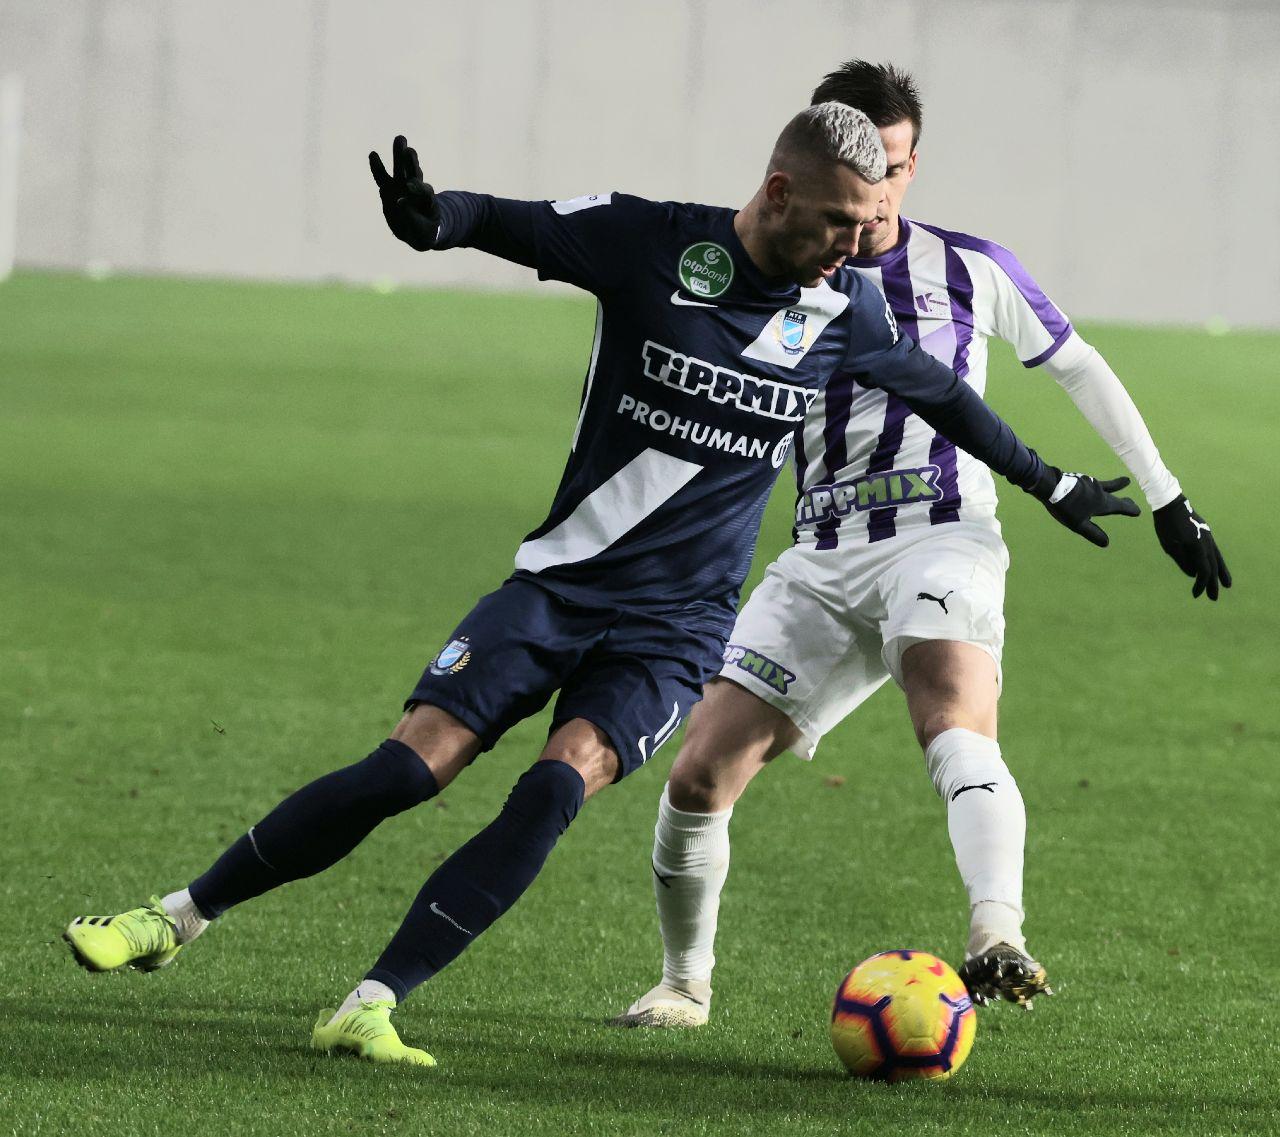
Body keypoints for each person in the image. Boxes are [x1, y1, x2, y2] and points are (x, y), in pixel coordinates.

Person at [63, 103, 1136, 1068]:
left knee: (554, 786)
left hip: (676, 631)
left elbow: (941, 394)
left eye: (868, 225)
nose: (859, 245)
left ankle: (373, 1001)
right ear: (777, 193)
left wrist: (1049, 482)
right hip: (557, 585)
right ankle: (174, 917)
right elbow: (517, 223)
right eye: (839, 223)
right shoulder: (653, 242)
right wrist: (433, 220)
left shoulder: (844, 307)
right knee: (407, 768)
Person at [614, 62, 1230, 1029]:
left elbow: (1079, 366)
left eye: (895, 169)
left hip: (942, 534)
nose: (878, 197)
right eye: (862, 174)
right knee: (699, 772)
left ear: (911, 165)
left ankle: (997, 935)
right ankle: (684, 985)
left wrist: (1167, 496)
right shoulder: (772, 272)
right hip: (820, 554)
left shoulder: (971, 268)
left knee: (951, 711)